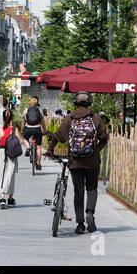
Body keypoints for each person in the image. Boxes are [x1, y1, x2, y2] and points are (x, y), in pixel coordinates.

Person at [47, 92, 109, 235]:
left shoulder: (69, 118)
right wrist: (96, 150)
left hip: (75, 161)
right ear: (90, 103)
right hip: (92, 162)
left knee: (78, 191)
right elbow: (104, 138)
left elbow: (57, 136)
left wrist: (50, 150)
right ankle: (90, 213)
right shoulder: (96, 118)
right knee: (92, 189)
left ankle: (80, 224)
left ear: (75, 103)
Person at [0, 110, 21, 209]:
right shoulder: (15, 129)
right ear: (11, 118)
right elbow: (19, 144)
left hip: (1, 153)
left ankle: (2, 197)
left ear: (2, 119)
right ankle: (10, 198)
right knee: (10, 175)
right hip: (12, 154)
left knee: (1, 175)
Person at [21, 97, 46, 170]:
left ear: (29, 103)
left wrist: (22, 130)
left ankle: (28, 148)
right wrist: (44, 130)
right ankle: (38, 164)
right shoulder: (40, 110)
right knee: (38, 147)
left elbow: (23, 123)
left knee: (25, 138)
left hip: (28, 128)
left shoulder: (26, 110)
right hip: (37, 129)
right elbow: (43, 123)